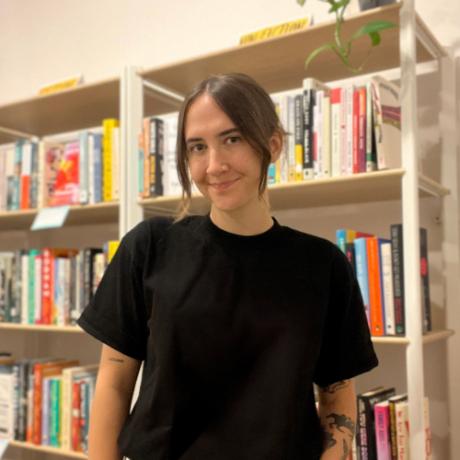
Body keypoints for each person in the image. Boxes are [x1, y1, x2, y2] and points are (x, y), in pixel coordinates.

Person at [78, 73, 378, 460]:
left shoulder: (323, 265)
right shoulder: (151, 245)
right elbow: (115, 382)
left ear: (272, 145)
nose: (214, 165)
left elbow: (337, 395)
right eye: (197, 147)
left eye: (231, 139)